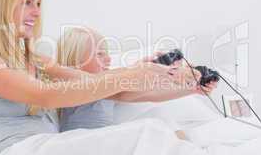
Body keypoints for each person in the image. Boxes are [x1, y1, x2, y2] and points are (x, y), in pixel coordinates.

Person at [0, 0, 210, 155]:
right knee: (150, 132)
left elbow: (105, 88)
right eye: (27, 2)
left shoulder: (36, 60)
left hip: (49, 146)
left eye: (38, 3)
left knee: (159, 129)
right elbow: (44, 95)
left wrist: (181, 85)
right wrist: (128, 74)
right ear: (2, 4)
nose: (37, 12)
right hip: (19, 149)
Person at [57, 27, 217, 140]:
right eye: (99, 54)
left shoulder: (108, 88)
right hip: (82, 143)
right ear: (76, 61)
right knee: (152, 129)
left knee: (163, 122)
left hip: (105, 141)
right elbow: (119, 80)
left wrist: (191, 89)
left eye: (107, 53)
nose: (108, 59)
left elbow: (147, 94)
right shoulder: (72, 84)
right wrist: (138, 71)